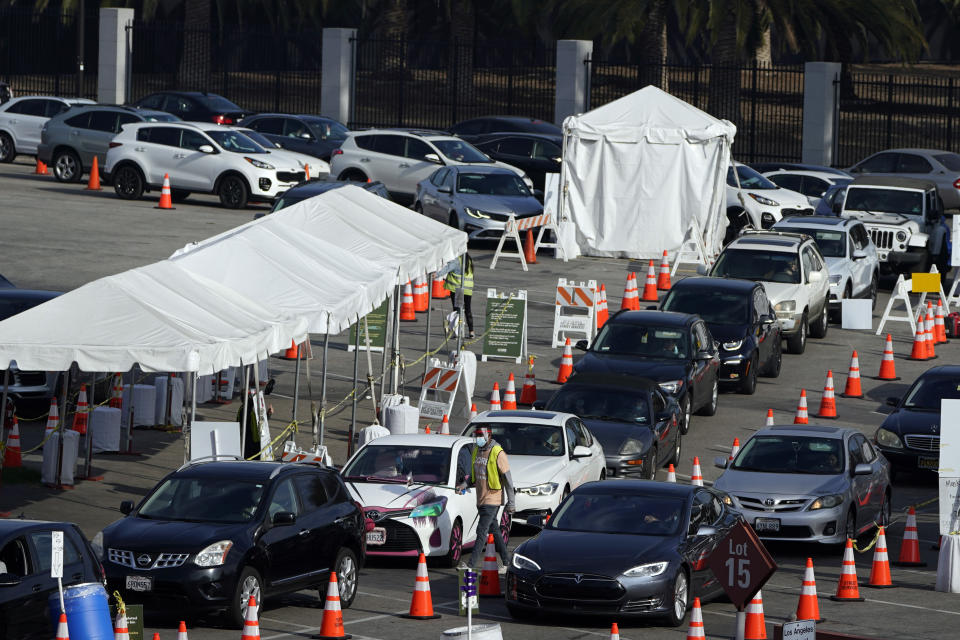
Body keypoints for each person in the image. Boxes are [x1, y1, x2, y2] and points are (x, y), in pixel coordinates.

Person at [457, 425, 515, 571]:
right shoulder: (477, 451)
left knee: (481, 531)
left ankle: (470, 566)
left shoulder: (497, 452)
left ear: (488, 436)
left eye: (480, 435)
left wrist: (511, 502)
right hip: (481, 498)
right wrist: (464, 485)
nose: (478, 438)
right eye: (476, 435)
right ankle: (507, 563)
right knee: (495, 530)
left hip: (492, 499)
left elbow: (508, 480)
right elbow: (474, 475)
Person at [440, 253, 475, 338]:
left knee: (457, 310)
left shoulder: (457, 260)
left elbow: (448, 268)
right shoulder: (469, 259)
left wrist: (437, 274)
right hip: (468, 288)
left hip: (459, 289)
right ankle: (471, 332)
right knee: (468, 310)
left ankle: (457, 331)